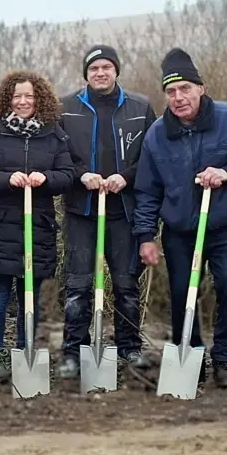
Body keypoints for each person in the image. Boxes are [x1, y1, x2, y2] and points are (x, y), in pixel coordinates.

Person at [134, 48, 227, 388]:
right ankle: (190, 356)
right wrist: (145, 235)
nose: (178, 98)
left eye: (185, 89)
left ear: (201, 88)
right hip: (181, 228)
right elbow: (148, 190)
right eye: (171, 92)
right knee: (183, 292)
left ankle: (226, 359)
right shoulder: (156, 135)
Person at [0, 70, 74, 382]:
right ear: (7, 100)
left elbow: (67, 174)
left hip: (37, 225)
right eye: (17, 96)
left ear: (39, 98)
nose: (23, 101)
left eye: (29, 96)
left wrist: (46, 179)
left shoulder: (55, 134)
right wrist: (6, 179)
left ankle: (25, 352)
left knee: (31, 294)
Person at [58, 44, 156, 379]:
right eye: (94, 68)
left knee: (127, 285)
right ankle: (74, 352)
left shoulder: (140, 108)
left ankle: (129, 348)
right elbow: (58, 155)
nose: (101, 73)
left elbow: (151, 157)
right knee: (78, 285)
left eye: (106, 67)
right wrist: (80, 174)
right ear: (86, 73)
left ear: (116, 70)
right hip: (80, 210)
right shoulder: (66, 108)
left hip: (123, 211)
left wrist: (125, 178)